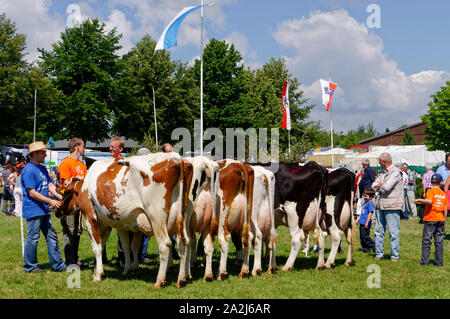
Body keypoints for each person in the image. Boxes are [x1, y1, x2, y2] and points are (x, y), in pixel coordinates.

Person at [21, 141, 66, 273]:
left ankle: (58, 265)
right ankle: (30, 267)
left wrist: (61, 198)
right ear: (34, 154)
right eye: (43, 153)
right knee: (33, 238)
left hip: (44, 209)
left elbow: (50, 186)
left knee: (52, 236)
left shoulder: (42, 168)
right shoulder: (28, 170)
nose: (45, 155)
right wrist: (50, 201)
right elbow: (32, 192)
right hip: (34, 210)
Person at [58, 138, 88, 269]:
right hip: (69, 202)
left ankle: (75, 259)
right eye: (83, 146)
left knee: (77, 231)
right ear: (77, 147)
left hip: (80, 203)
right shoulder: (66, 163)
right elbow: (65, 184)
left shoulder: (82, 165)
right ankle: (70, 261)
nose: (84, 149)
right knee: (69, 231)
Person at [371, 152, 403, 262]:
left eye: (380, 162)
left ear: (384, 162)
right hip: (380, 205)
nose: (379, 164)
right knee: (378, 231)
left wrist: (380, 185)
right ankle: (379, 253)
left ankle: (394, 255)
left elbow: (386, 187)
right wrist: (379, 185)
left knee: (393, 232)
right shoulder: (382, 173)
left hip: (392, 205)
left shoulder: (396, 172)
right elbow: (373, 185)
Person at [414, 174, 447, 267]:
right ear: (441, 183)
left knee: (426, 241)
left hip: (431, 219)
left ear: (431, 182)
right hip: (440, 219)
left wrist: (418, 200)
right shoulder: (443, 194)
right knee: (439, 242)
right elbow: (445, 208)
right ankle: (439, 262)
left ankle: (425, 262)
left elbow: (429, 201)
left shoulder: (431, 191)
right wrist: (444, 220)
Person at [355, 188, 376, 253]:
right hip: (362, 223)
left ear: (371, 197)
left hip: (366, 224)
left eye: (366, 196)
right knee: (362, 237)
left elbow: (370, 213)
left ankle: (374, 246)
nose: (364, 197)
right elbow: (362, 212)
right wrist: (358, 219)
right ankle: (365, 249)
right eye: (364, 195)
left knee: (365, 237)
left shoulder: (370, 203)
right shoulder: (365, 203)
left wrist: (367, 222)